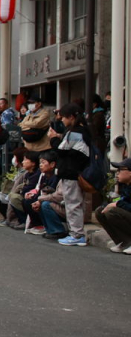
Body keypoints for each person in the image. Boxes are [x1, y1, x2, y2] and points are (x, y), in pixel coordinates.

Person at [46, 102, 92, 246]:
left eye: (64, 117)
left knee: (73, 204)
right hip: (77, 171)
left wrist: (53, 138)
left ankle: (77, 234)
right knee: (75, 203)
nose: (62, 120)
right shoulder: (83, 131)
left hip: (71, 172)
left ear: (71, 117)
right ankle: (77, 233)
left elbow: (61, 150)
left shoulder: (75, 132)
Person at [95, 158, 131, 254]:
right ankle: (123, 242)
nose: (117, 173)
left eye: (121, 170)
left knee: (112, 212)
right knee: (100, 211)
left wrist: (117, 204)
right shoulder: (125, 186)